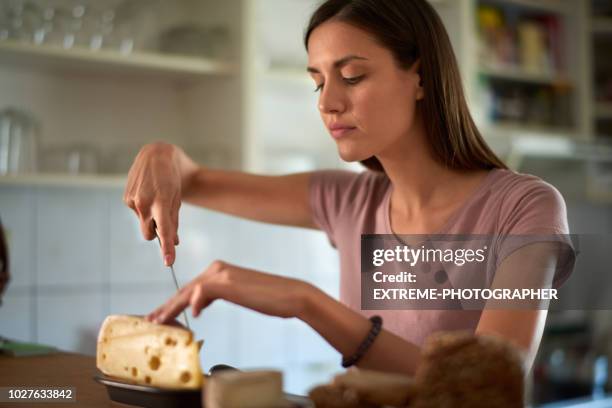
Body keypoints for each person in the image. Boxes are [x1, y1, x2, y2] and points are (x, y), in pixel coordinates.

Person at [124, 0, 573, 376]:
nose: (327, 102)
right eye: (318, 82)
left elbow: (490, 387)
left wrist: (306, 302)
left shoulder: (524, 208)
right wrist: (160, 153)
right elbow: (194, 178)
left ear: (419, 76)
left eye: (352, 76)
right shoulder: (350, 201)